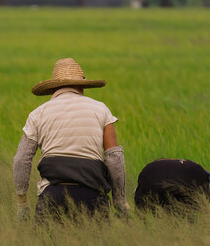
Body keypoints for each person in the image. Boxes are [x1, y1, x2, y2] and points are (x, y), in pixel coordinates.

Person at [13, 58, 130, 223]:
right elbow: (114, 157)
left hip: (51, 198)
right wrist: (120, 201)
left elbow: (21, 159)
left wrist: (22, 203)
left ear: (53, 88)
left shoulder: (37, 114)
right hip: (92, 197)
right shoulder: (101, 109)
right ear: (81, 87)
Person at [134, 158, 210, 213]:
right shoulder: (196, 171)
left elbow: (138, 195)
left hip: (150, 177)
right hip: (186, 182)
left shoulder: (153, 167)